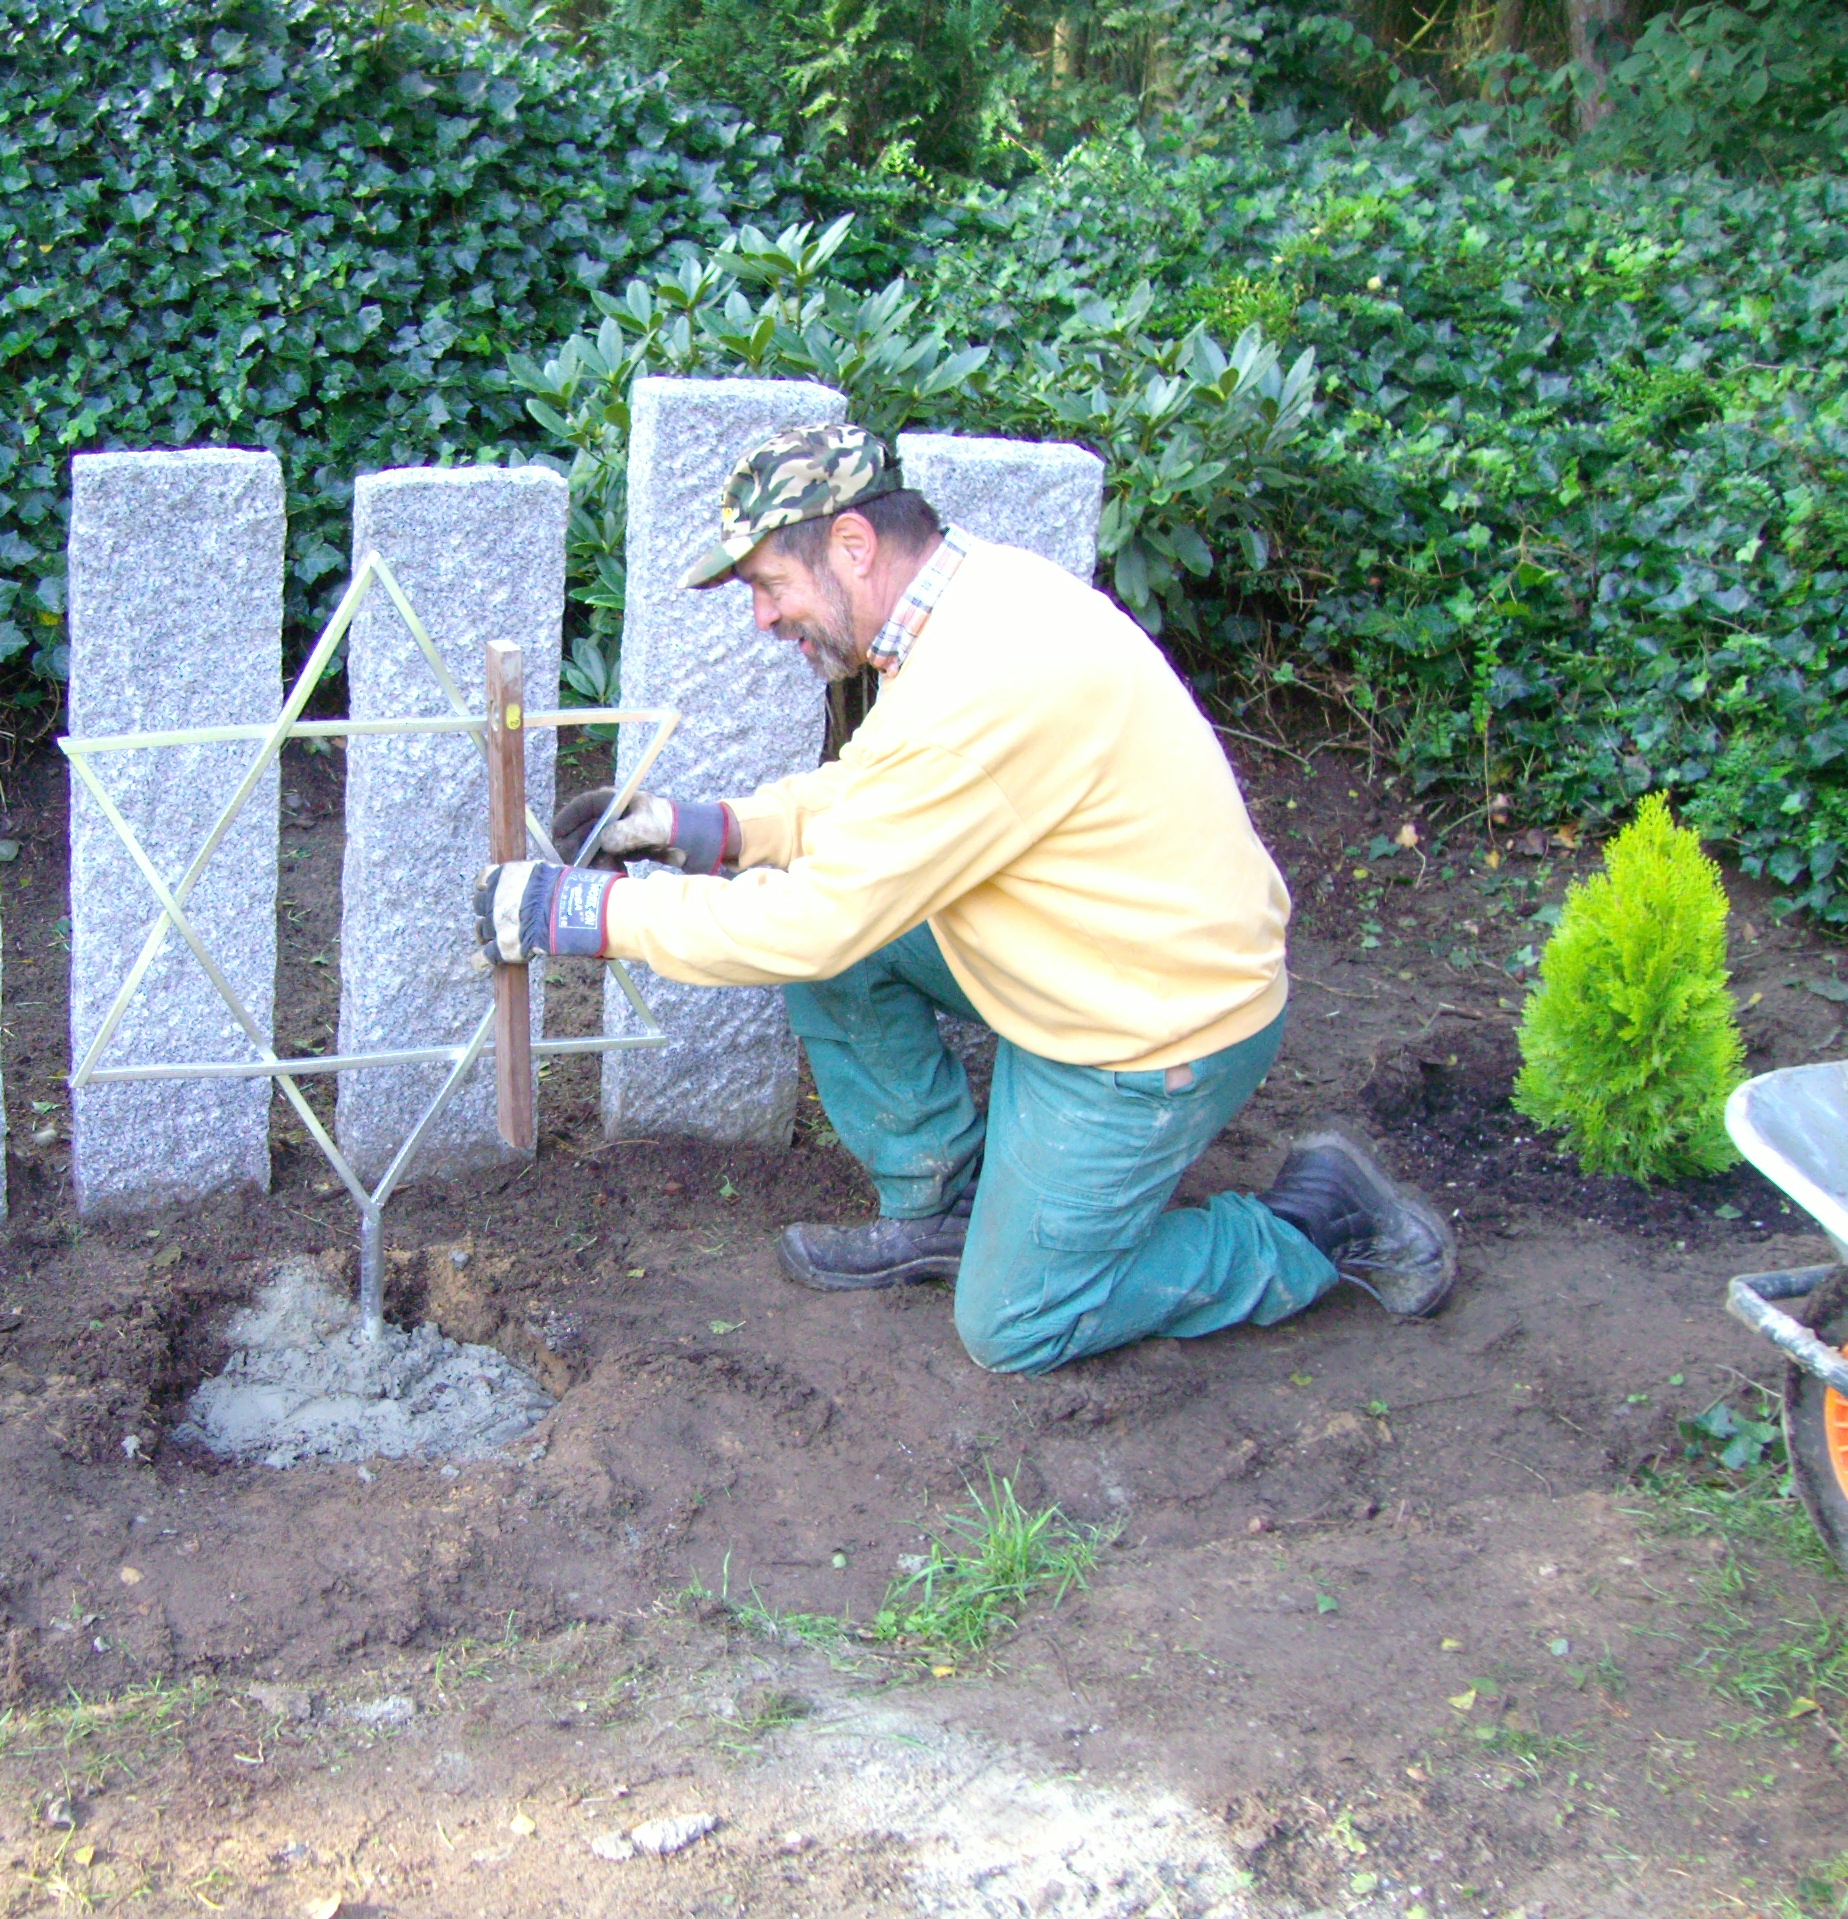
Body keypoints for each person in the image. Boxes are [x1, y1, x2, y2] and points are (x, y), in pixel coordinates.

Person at [472, 422, 1455, 1376]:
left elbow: (817, 920)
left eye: (769, 584)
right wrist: (705, 829)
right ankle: (940, 1204)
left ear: (851, 546)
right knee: (837, 928)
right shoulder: (971, 601)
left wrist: (583, 916)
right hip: (1082, 954)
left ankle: (1317, 1224)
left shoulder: (983, 678)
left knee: (1015, 1322)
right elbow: (875, 797)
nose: (762, 617)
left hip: (1151, 1030)